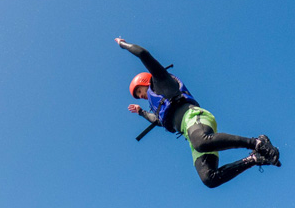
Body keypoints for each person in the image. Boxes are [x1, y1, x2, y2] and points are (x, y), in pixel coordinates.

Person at [115, 38, 280, 188]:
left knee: (200, 142)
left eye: (139, 91)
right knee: (210, 179)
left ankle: (258, 143)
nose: (140, 96)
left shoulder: (160, 81)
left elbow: (143, 53)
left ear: (144, 82)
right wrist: (141, 112)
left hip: (194, 117)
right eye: (138, 96)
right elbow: (158, 120)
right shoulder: (157, 105)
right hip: (190, 133)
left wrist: (123, 44)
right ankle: (255, 159)